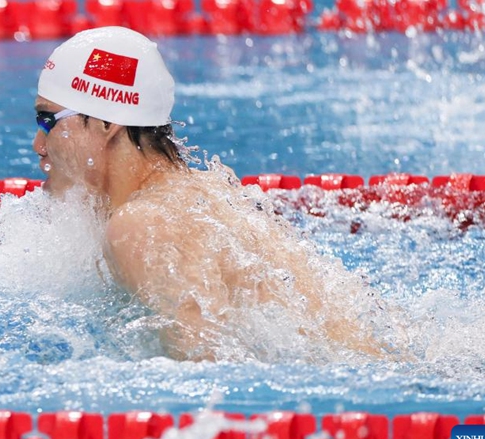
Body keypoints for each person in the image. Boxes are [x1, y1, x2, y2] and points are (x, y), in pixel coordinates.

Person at [32, 26, 400, 362]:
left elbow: (209, 370)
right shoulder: (205, 190)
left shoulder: (140, 225)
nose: (38, 145)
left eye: (48, 122)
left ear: (107, 122)